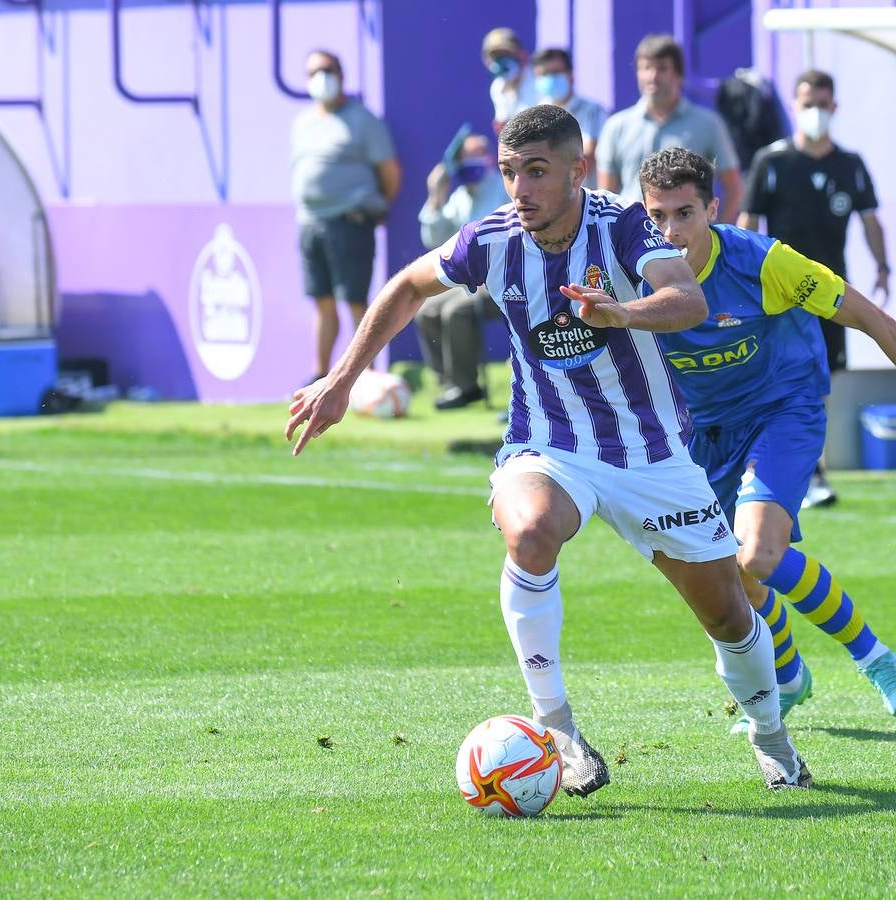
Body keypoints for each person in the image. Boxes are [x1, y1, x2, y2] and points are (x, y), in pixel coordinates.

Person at [286, 105, 812, 791]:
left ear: (577, 170)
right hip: (548, 444)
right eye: (510, 172)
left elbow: (687, 300)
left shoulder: (623, 225)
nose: (520, 189)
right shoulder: (491, 238)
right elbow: (408, 286)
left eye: (536, 171)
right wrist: (342, 380)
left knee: (727, 613)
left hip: (649, 452)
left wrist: (618, 312)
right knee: (530, 533)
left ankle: (771, 735)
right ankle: (558, 727)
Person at [638, 148, 896, 732]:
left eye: (684, 214)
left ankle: (876, 658)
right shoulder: (634, 269)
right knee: (728, 578)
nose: (670, 232)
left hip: (782, 411)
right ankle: (789, 678)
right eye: (657, 216)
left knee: (758, 553)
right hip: (701, 433)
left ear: (713, 209)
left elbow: (872, 318)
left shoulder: (765, 263)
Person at [738, 69, 892, 508]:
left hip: (831, 292)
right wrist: (743, 276)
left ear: (834, 107)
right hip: (779, 292)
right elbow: (748, 222)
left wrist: (882, 266)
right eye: (808, 104)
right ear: (795, 105)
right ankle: (782, 468)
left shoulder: (850, 165)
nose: (816, 113)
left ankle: (810, 468)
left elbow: (870, 219)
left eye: (823, 104)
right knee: (779, 376)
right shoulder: (772, 161)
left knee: (820, 380)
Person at [290, 49, 400, 385]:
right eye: (313, 72)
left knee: (355, 301)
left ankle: (366, 377)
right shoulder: (303, 122)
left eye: (327, 70)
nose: (321, 77)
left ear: (341, 74)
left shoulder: (362, 119)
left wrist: (375, 207)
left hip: (350, 220)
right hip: (311, 221)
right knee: (322, 301)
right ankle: (321, 375)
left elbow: (390, 173)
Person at [596, 34, 742, 223]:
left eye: (662, 68)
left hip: (687, 236)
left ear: (679, 74)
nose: (653, 77)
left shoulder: (708, 124)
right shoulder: (616, 127)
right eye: (646, 68)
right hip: (631, 235)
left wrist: (719, 234)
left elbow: (734, 189)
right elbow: (606, 196)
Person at [416, 133, 510, 409]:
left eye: (477, 154)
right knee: (426, 311)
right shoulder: (459, 197)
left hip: (500, 280)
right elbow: (434, 239)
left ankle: (465, 386)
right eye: (465, 157)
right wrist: (436, 195)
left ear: (489, 158)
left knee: (456, 311)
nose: (471, 162)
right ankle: (451, 384)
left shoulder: (502, 188)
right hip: (468, 282)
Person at [531, 47, 606, 188]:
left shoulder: (593, 111)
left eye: (555, 72)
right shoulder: (533, 114)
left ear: (571, 75)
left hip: (585, 194)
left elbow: (587, 156)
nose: (550, 79)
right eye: (544, 74)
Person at [482, 27, 537, 131]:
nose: (501, 61)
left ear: (521, 55)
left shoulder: (539, 81)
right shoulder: (496, 87)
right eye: (496, 57)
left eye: (506, 54)